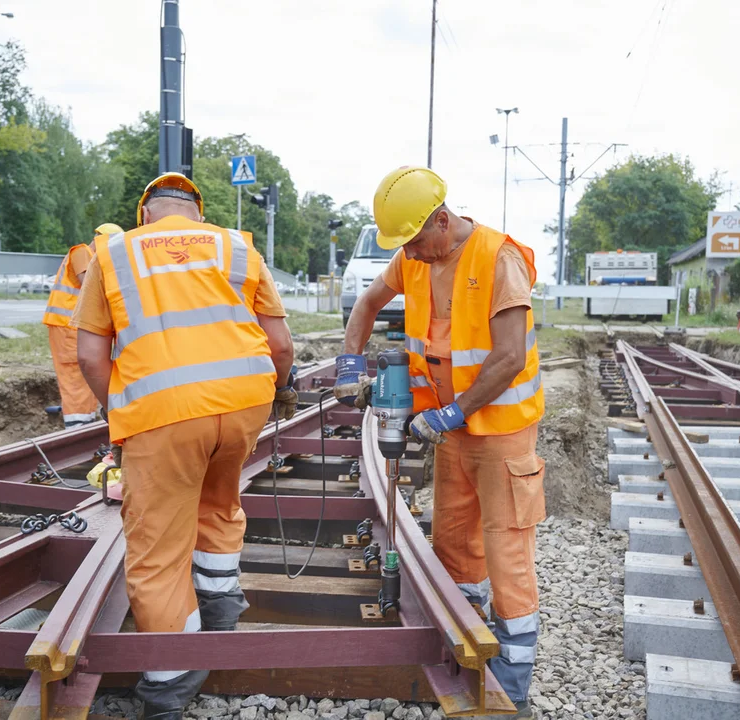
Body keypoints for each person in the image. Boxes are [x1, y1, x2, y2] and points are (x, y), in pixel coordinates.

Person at [73, 173, 297, 720]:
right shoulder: (236, 246)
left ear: (145, 214)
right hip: (244, 405)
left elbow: (88, 358)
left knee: (156, 553)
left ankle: (170, 689)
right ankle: (219, 615)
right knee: (219, 504)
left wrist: (123, 415)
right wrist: (282, 390)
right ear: (197, 214)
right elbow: (281, 344)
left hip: (165, 414)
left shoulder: (114, 252)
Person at [334, 166, 545, 719]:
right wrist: (348, 367)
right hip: (453, 433)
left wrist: (450, 413)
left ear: (443, 222)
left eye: (415, 241)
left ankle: (512, 682)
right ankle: (465, 640)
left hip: (500, 432)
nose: (411, 255)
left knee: (506, 553)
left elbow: (508, 357)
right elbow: (365, 306)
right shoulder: (413, 257)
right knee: (454, 542)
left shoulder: (498, 259)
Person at [42, 222, 122, 428]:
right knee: (75, 376)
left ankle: (83, 422)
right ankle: (76, 426)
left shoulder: (91, 258)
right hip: (68, 326)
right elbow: (91, 284)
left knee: (87, 375)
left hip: (74, 326)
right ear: (100, 240)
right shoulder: (81, 252)